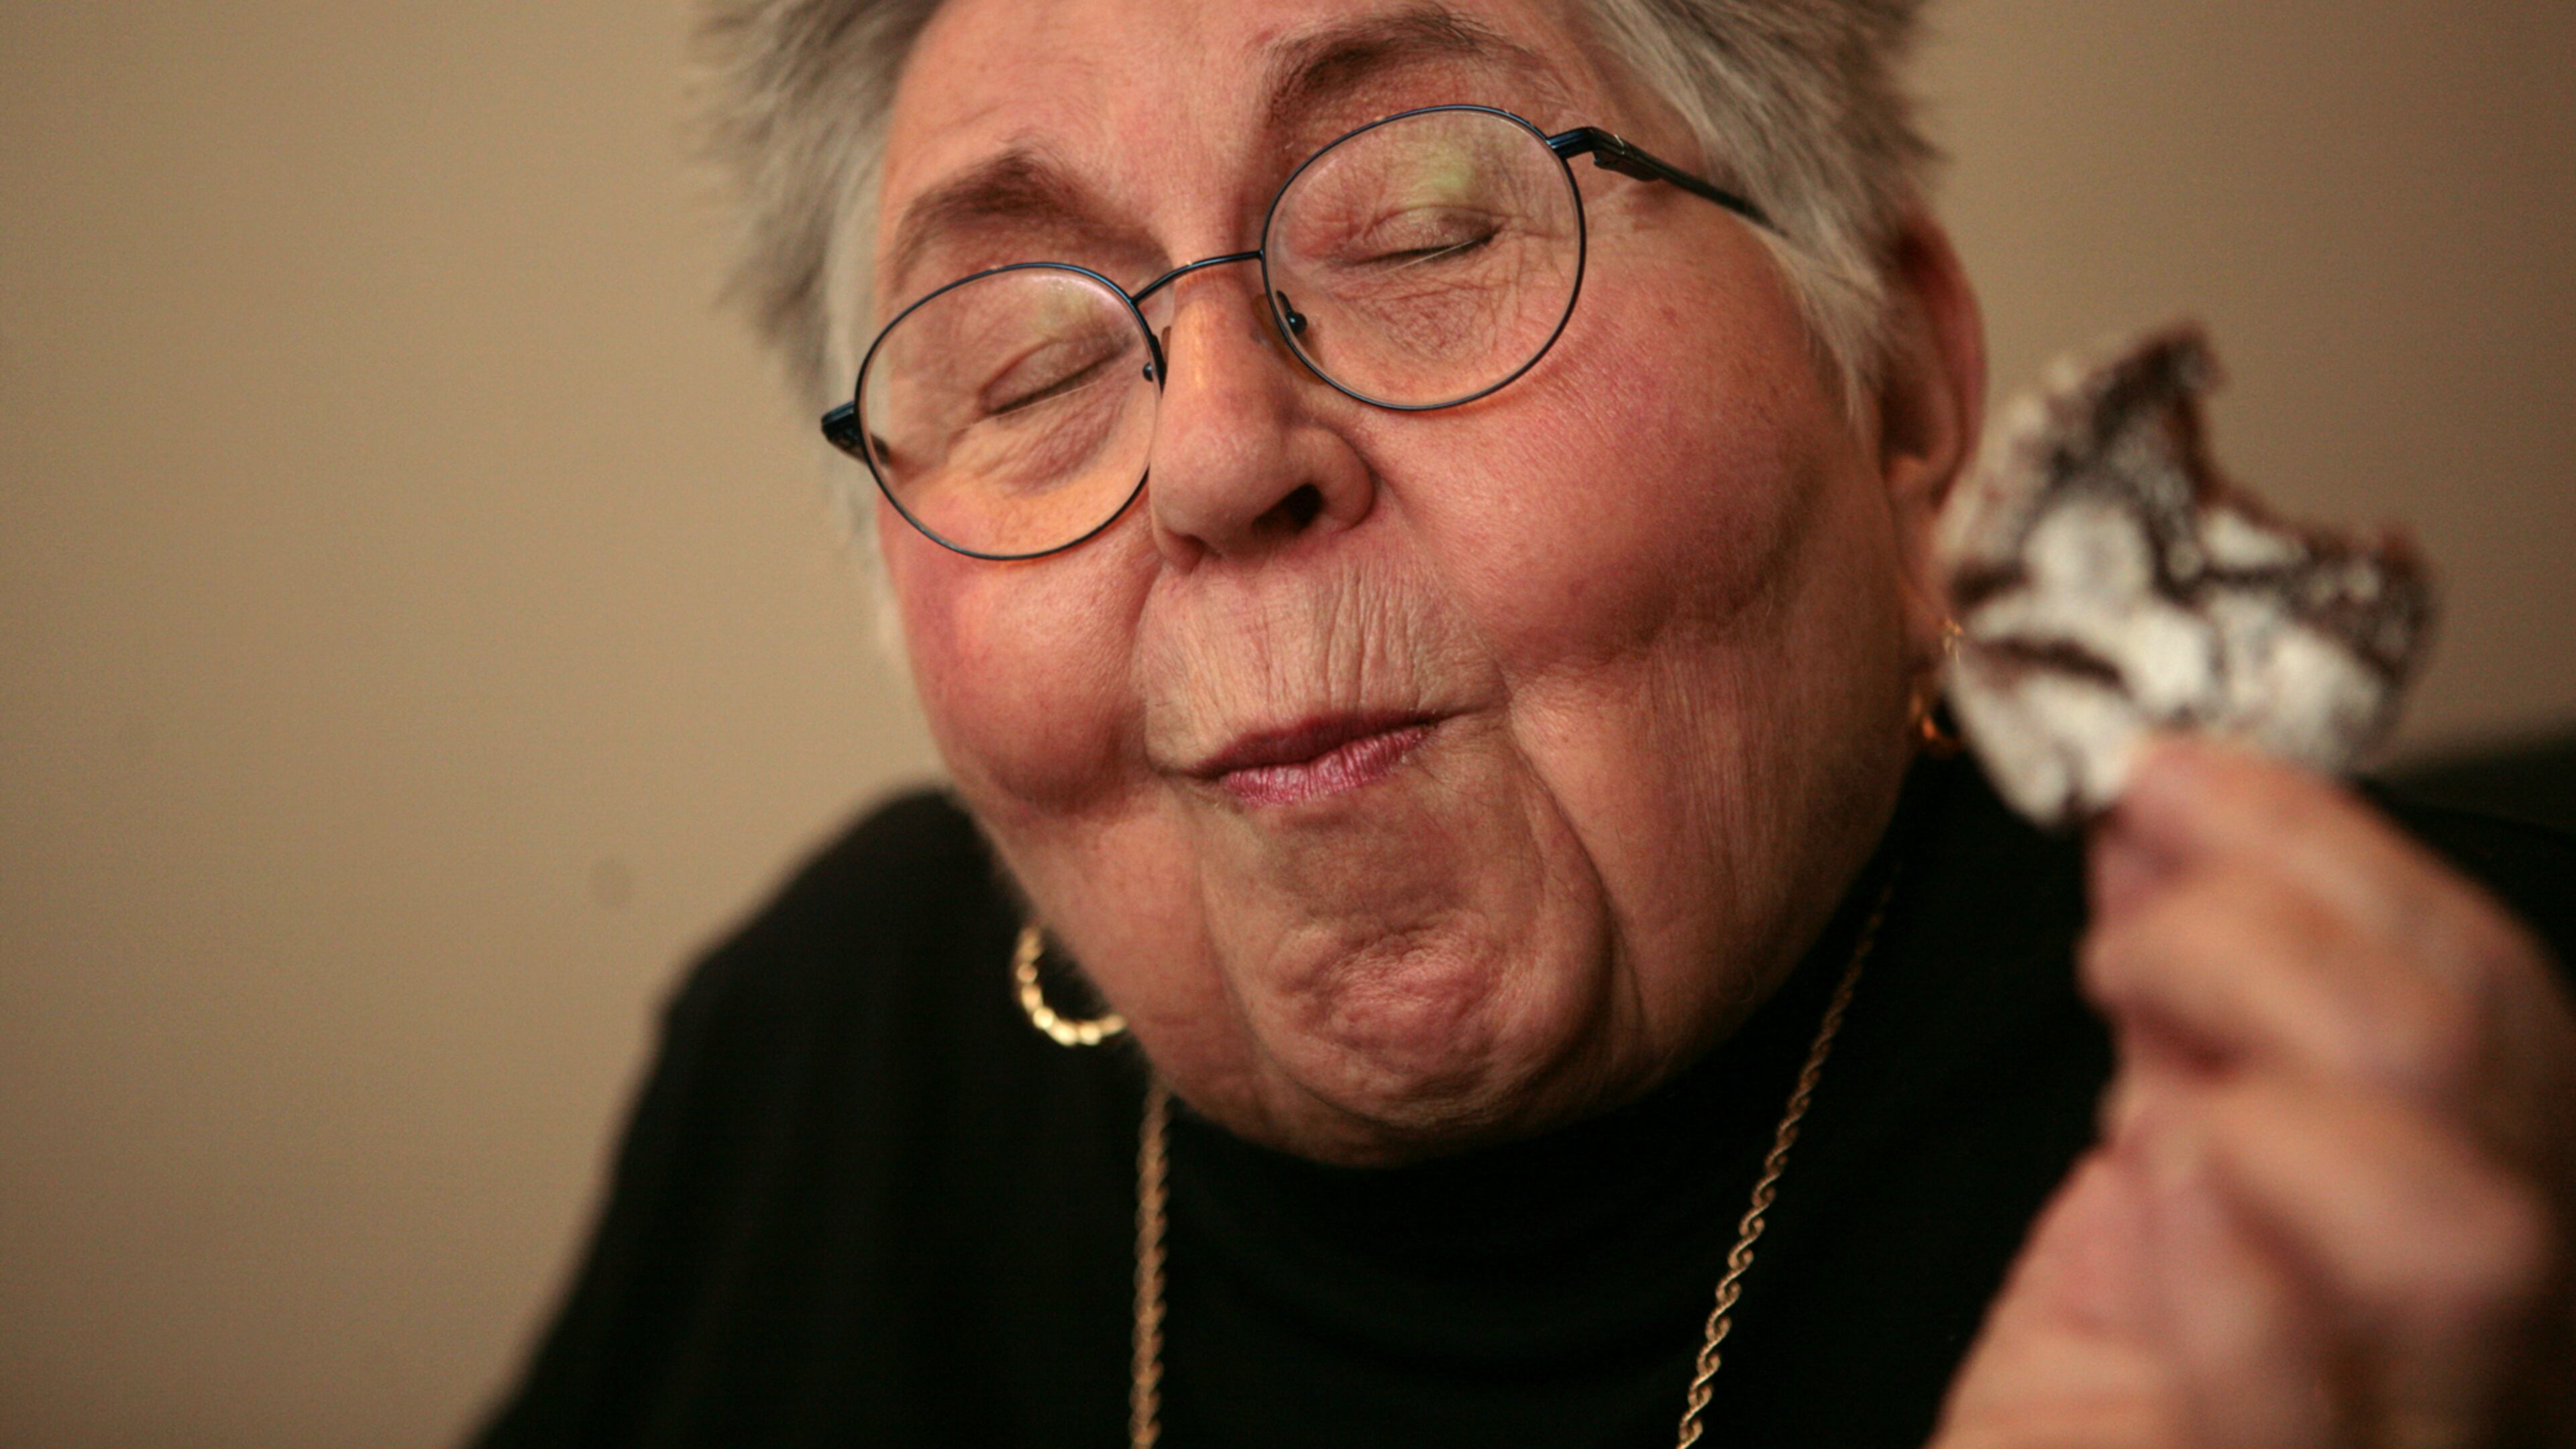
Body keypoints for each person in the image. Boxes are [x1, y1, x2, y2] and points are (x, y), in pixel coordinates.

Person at [472, 1, 2576, 1444]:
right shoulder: (816, 1051)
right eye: (1027, 365)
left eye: (1425, 228)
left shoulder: (2457, 1134)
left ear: (1907, 401)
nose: (1219, 454)